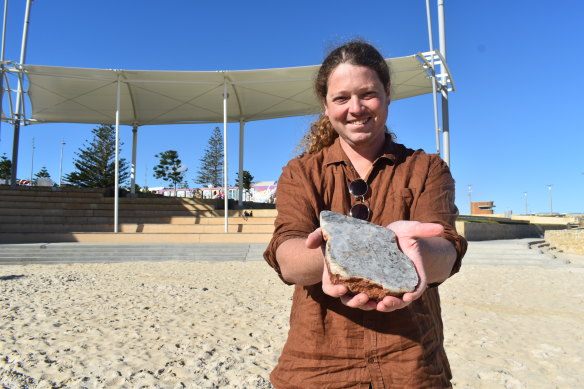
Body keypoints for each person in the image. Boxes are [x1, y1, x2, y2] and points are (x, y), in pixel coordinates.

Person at [263, 40, 467, 389]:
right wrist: (345, 256)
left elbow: (445, 254)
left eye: (368, 94)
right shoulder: (301, 173)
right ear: (326, 106)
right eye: (341, 98)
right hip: (317, 362)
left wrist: (414, 251)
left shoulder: (427, 169)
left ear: (387, 95)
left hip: (411, 359)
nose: (355, 108)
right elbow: (288, 257)